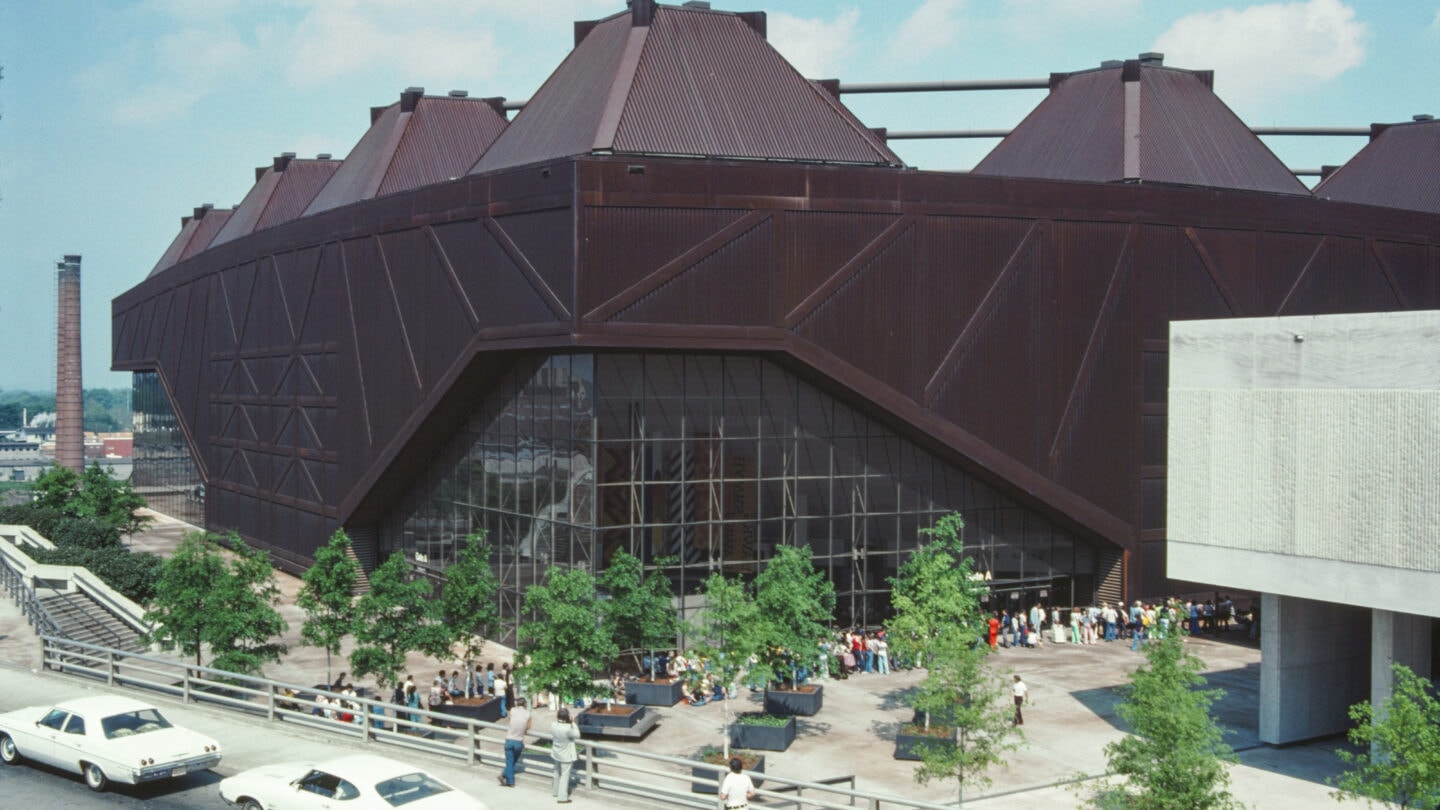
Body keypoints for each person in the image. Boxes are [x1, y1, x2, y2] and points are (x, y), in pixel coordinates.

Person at [550, 707, 581, 803]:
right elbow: (578, 734)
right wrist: (573, 723)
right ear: (567, 717)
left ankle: (555, 791)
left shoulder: (553, 725)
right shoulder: (567, 729)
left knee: (556, 772)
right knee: (564, 775)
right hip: (566, 755)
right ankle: (562, 797)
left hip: (556, 753)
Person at [499, 696, 531, 787]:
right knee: (512, 762)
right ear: (525, 704)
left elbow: (510, 721)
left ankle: (505, 777)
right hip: (519, 741)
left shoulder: (512, 710)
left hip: (509, 739)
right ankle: (509, 781)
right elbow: (528, 726)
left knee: (510, 761)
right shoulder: (528, 713)